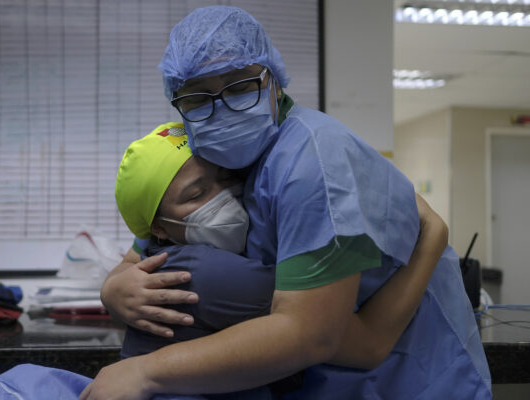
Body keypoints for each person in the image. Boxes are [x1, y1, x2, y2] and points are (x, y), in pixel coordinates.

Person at [88, 6, 491, 400]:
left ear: (274, 81)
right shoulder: (220, 156)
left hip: (408, 378)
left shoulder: (313, 162)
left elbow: (313, 335)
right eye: (197, 96)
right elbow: (145, 242)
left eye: (241, 85)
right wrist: (114, 288)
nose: (222, 108)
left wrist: (144, 372)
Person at [81, 122, 448, 400]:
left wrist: (113, 284)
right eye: (197, 194)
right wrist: (432, 236)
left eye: (226, 176)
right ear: (160, 228)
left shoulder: (168, 251)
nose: (224, 195)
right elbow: (366, 343)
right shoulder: (208, 275)